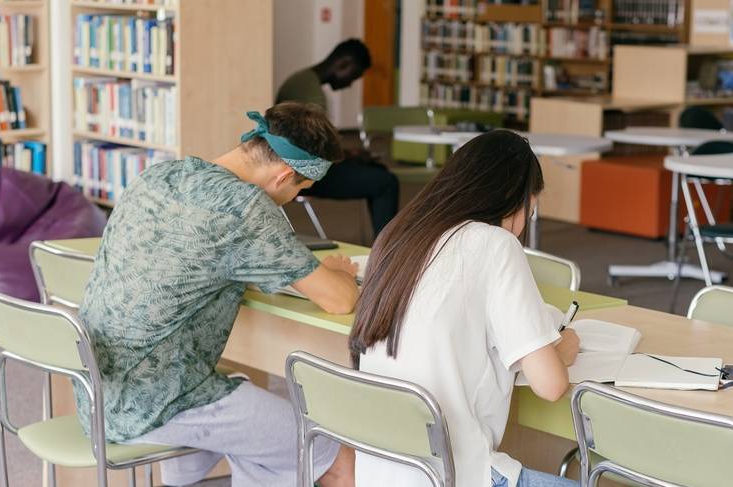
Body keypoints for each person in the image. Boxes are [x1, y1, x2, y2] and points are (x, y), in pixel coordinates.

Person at [76, 103, 358, 487]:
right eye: (300, 190)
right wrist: (336, 273)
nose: (293, 199)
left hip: (98, 391)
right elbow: (340, 300)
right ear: (284, 175)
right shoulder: (246, 208)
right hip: (158, 403)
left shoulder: (159, 174)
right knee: (334, 455)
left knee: (255, 421)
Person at [349, 130, 580, 487]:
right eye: (528, 215)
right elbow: (550, 385)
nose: (520, 231)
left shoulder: (397, 234)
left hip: (383, 472)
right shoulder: (494, 243)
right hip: (457, 474)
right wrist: (562, 348)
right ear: (512, 198)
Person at [276, 38, 399, 237]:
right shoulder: (310, 92)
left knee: (376, 172)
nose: (349, 84)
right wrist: (349, 156)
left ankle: (383, 243)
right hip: (306, 174)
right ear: (343, 64)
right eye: (353, 76)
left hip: (294, 166)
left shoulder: (301, 80)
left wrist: (349, 153)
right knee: (386, 182)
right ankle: (388, 249)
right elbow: (315, 147)